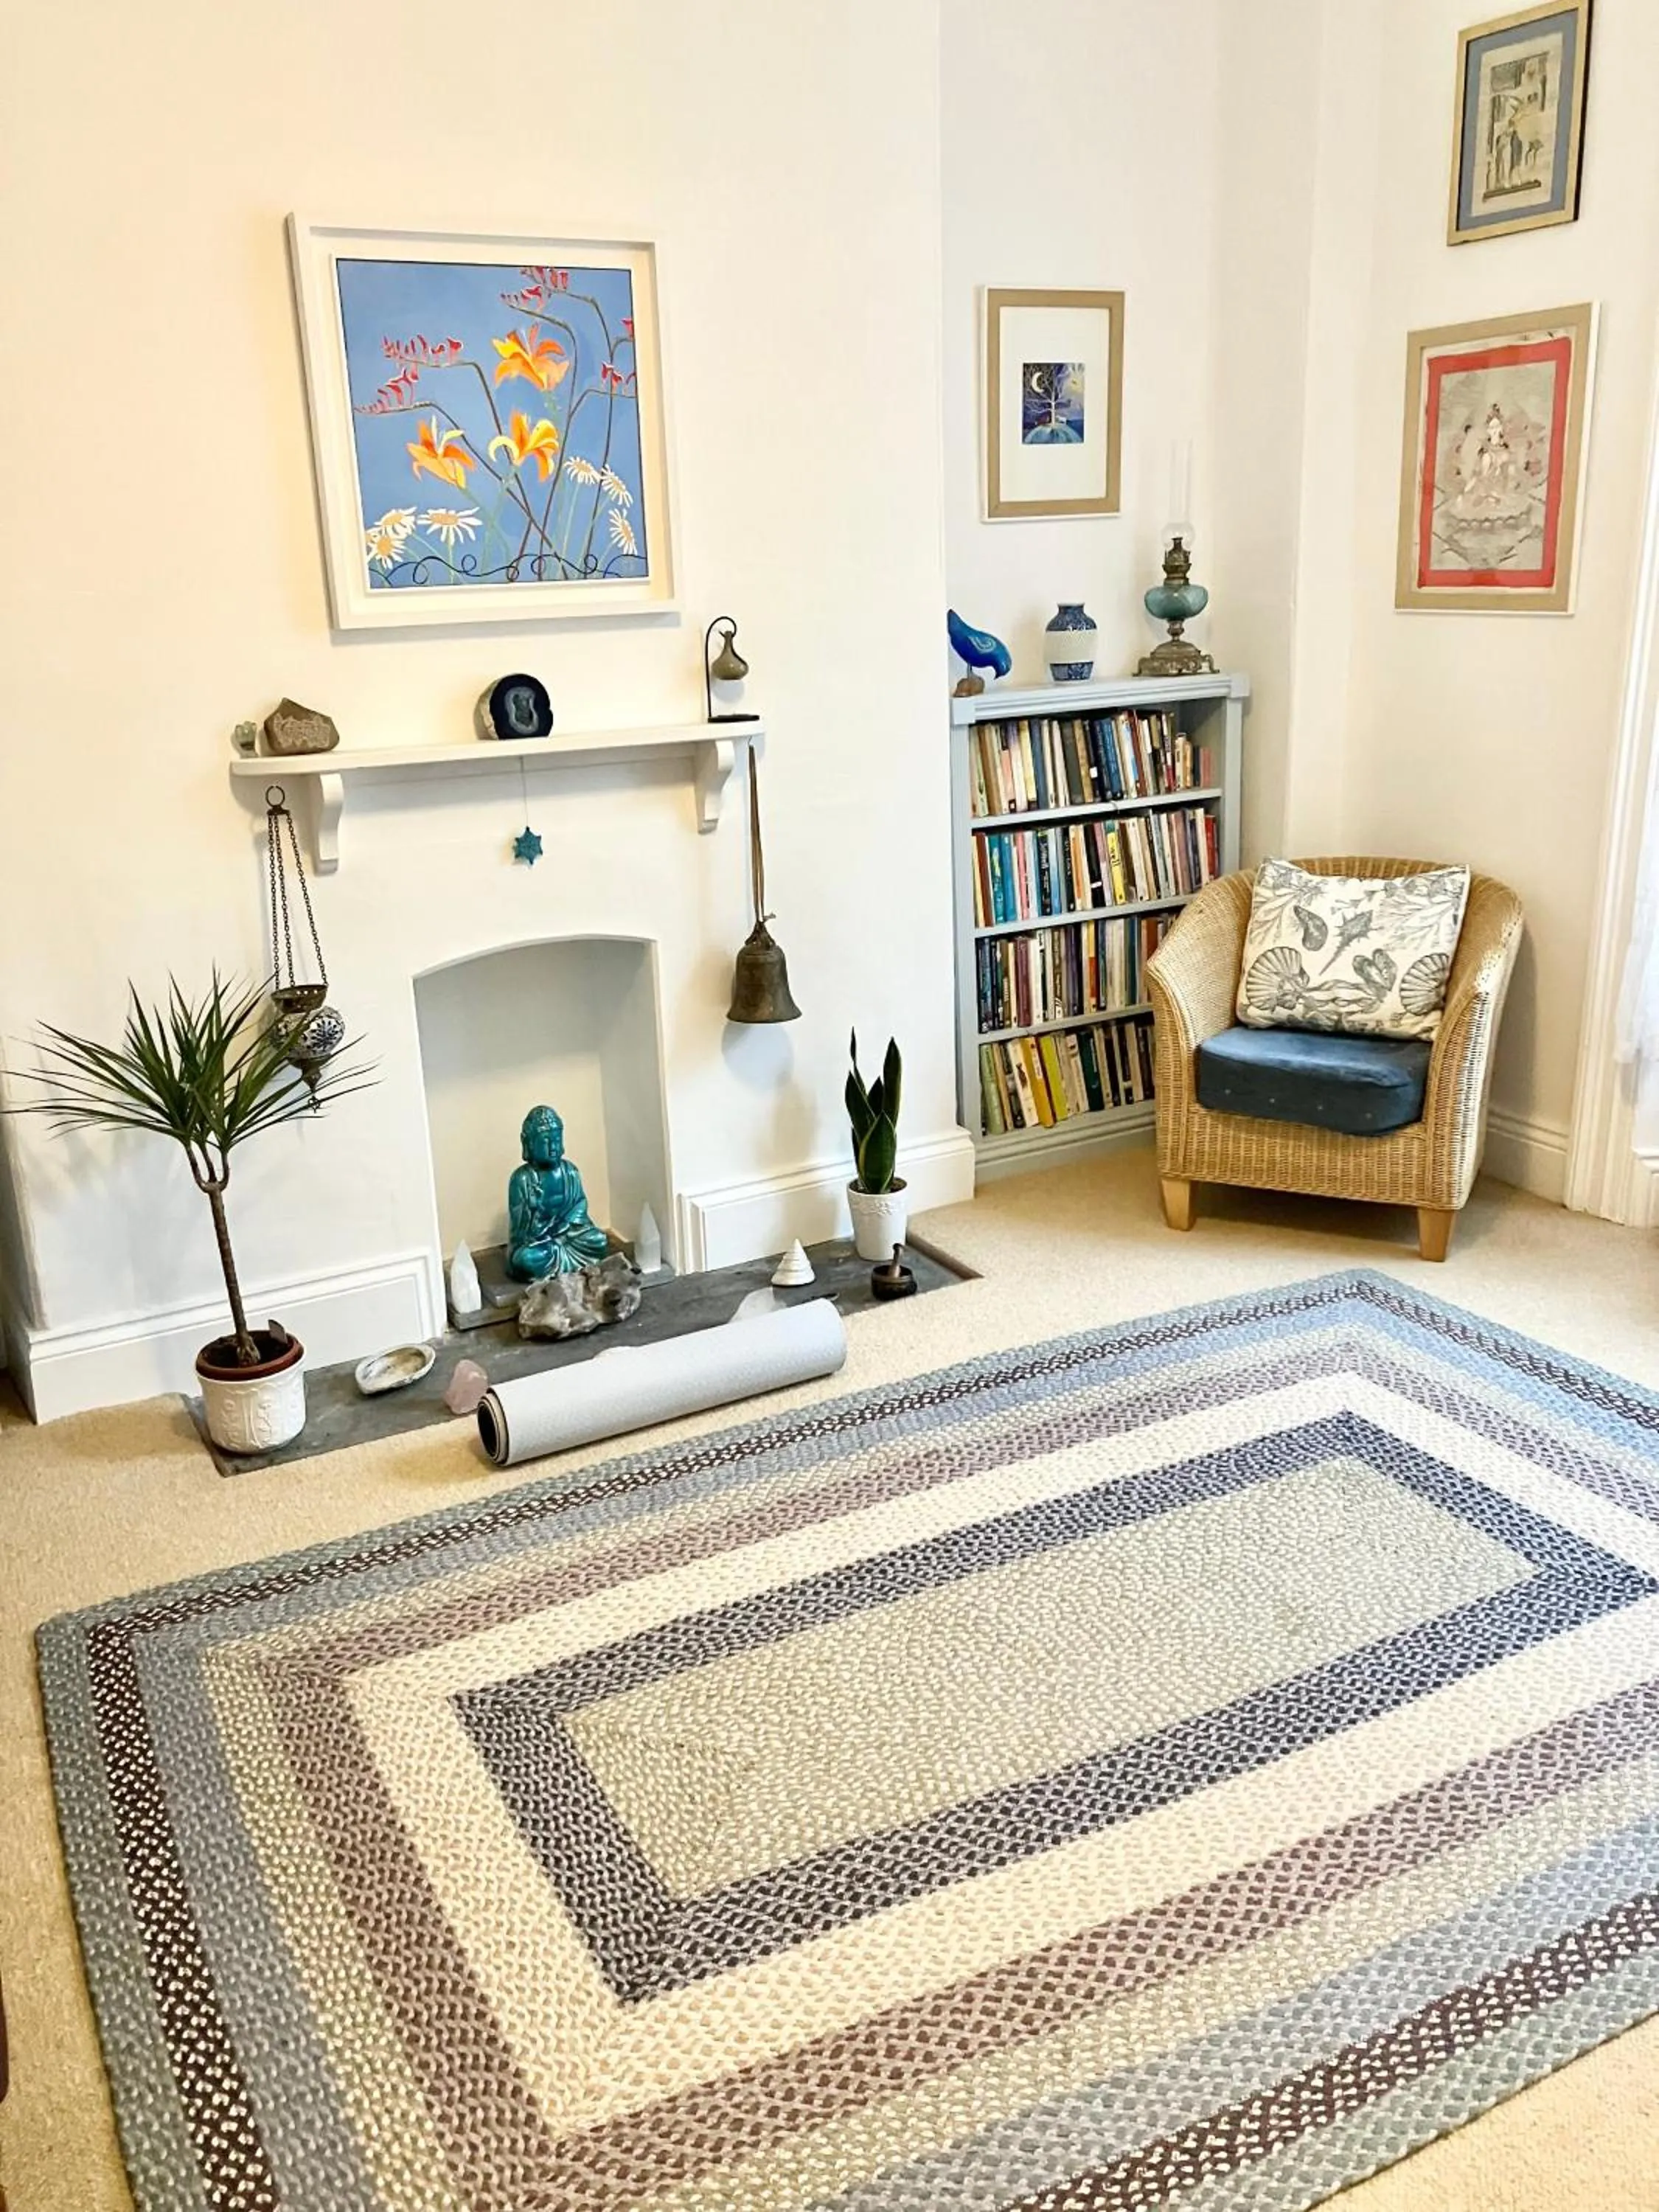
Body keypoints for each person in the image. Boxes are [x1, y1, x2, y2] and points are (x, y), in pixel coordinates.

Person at [505, 1105, 609, 1280]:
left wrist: (567, 1224)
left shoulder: (570, 1172)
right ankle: (567, 1266)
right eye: (546, 1141)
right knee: (527, 1259)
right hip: (539, 1244)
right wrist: (533, 1209)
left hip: (569, 1236)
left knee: (599, 1240)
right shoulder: (522, 1179)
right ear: (529, 1143)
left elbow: (580, 1203)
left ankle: (561, 1267)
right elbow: (521, 1234)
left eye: (557, 1139)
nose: (553, 1147)